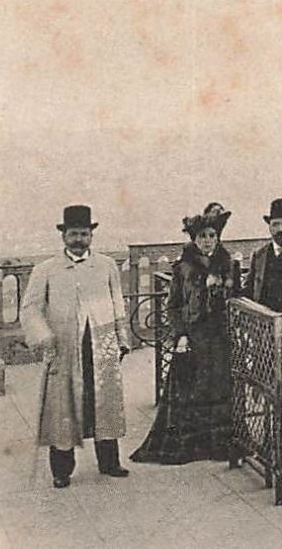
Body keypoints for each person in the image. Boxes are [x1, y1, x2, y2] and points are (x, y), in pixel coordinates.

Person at [21, 205, 132, 489]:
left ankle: (109, 462)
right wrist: (44, 337)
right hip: (64, 347)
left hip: (100, 344)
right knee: (63, 407)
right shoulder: (46, 270)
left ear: (91, 235)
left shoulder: (106, 266)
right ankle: (61, 470)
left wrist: (122, 339)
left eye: (84, 234)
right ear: (64, 236)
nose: (79, 239)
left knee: (104, 403)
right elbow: (30, 309)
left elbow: (118, 301)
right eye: (74, 234)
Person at [131, 203, 236, 465]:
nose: (208, 241)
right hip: (193, 335)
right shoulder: (183, 267)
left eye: (212, 236)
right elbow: (173, 306)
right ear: (194, 239)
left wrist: (223, 291)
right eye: (203, 236)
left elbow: (236, 298)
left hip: (219, 337)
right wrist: (181, 335)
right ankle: (192, 443)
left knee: (218, 388)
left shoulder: (228, 264)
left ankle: (217, 443)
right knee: (190, 390)